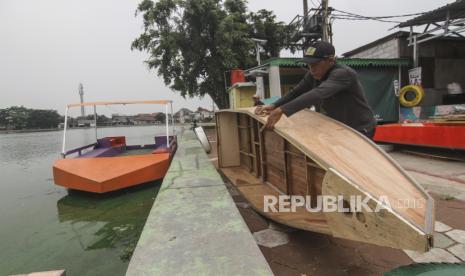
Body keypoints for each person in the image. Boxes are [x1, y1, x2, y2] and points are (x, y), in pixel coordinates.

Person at [255, 41, 377, 139]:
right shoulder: (313, 74)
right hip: (340, 126)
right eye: (309, 65)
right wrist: (273, 105)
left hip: (360, 128)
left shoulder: (343, 74)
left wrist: (281, 110)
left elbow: (317, 94)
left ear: (330, 60)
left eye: (315, 64)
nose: (311, 69)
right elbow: (297, 92)